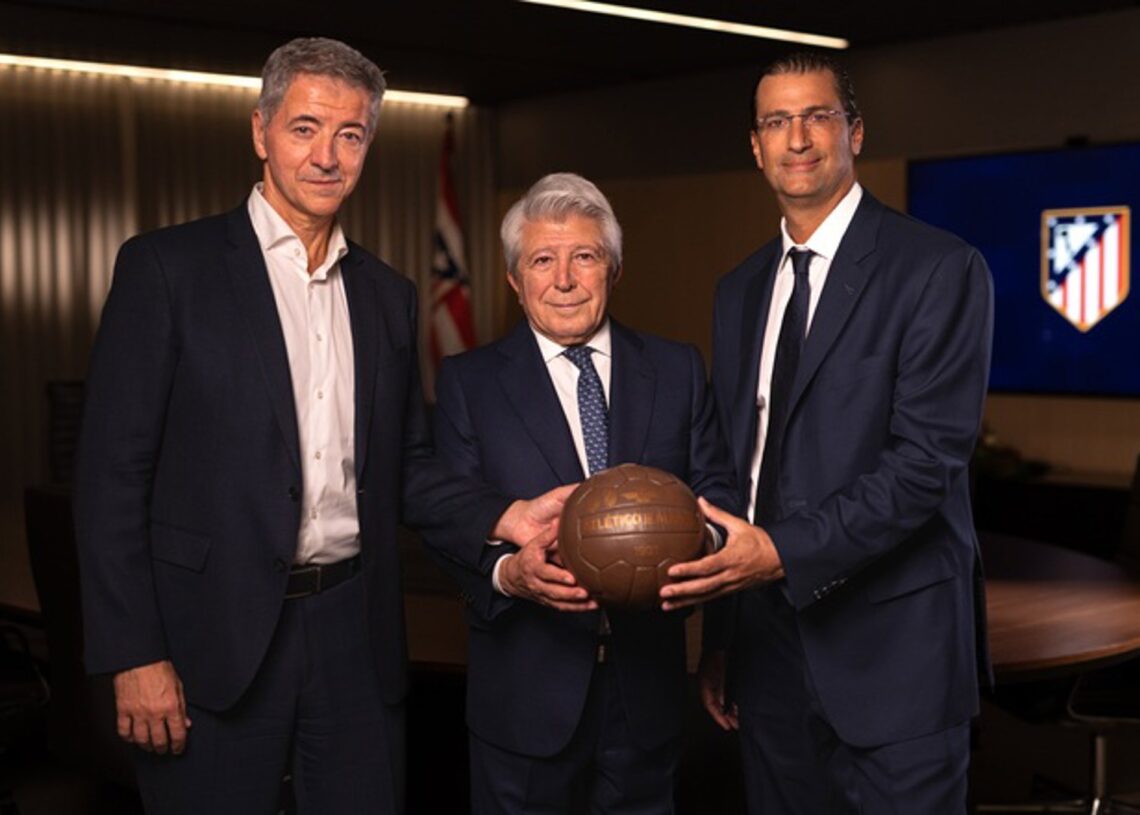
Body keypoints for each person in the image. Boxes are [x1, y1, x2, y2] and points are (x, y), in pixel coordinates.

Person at [73, 37, 565, 815]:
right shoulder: (168, 270)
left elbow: (404, 464)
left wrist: (501, 515)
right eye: (304, 128)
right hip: (212, 638)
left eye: (350, 134)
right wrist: (134, 653)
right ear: (260, 131)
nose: (326, 155)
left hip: (352, 634)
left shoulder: (388, 296)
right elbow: (109, 479)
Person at [660, 52, 994, 813]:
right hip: (769, 651)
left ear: (856, 132)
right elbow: (737, 472)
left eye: (818, 116)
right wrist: (723, 636)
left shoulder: (937, 268)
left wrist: (778, 551)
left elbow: (924, 466)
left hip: (896, 655)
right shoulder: (740, 289)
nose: (798, 137)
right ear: (756, 145)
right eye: (778, 121)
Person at [423, 172, 737, 814]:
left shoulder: (677, 370)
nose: (564, 279)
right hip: (522, 702)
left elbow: (718, 494)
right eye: (543, 260)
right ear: (515, 279)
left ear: (613, 270)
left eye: (584, 257)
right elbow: (446, 513)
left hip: (646, 695)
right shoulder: (468, 383)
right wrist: (510, 573)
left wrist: (688, 539)